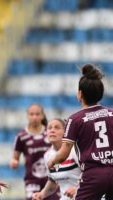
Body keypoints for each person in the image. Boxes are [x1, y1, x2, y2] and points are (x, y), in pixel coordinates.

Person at [48, 64, 113, 200]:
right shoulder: (112, 114)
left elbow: (63, 154)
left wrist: (52, 161)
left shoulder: (74, 119)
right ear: (100, 94)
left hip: (93, 175)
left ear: (80, 94)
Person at [9, 103, 60, 200]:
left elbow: (60, 150)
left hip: (51, 178)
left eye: (37, 114)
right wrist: (14, 162)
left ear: (42, 115)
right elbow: (15, 158)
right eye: (31, 114)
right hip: (32, 180)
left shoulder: (50, 133)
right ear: (27, 116)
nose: (34, 117)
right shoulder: (21, 136)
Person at [32, 119, 81, 200]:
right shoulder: (47, 155)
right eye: (49, 128)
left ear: (66, 133)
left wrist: (78, 188)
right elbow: (53, 181)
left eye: (57, 128)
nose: (52, 130)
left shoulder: (75, 150)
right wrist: (42, 194)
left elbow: (92, 174)